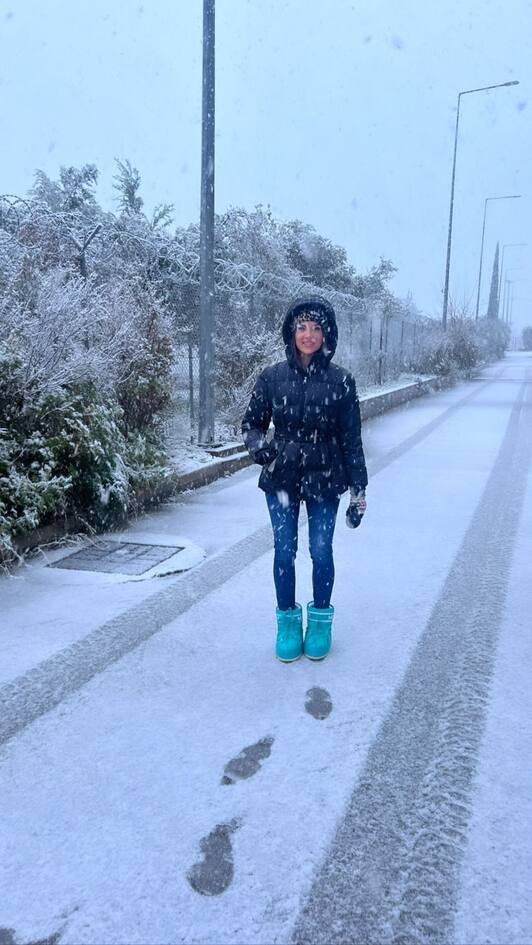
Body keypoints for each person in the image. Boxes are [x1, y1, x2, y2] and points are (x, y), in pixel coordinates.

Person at [241, 296, 368, 662]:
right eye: (302, 327)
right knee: (284, 550)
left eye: (316, 328)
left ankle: (320, 623)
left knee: (321, 550)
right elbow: (252, 424)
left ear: (327, 333)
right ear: (291, 331)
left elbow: (351, 439)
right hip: (282, 477)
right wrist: (261, 450)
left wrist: (358, 489)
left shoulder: (341, 381)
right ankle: (287, 624)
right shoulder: (272, 377)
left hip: (326, 477)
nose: (308, 334)